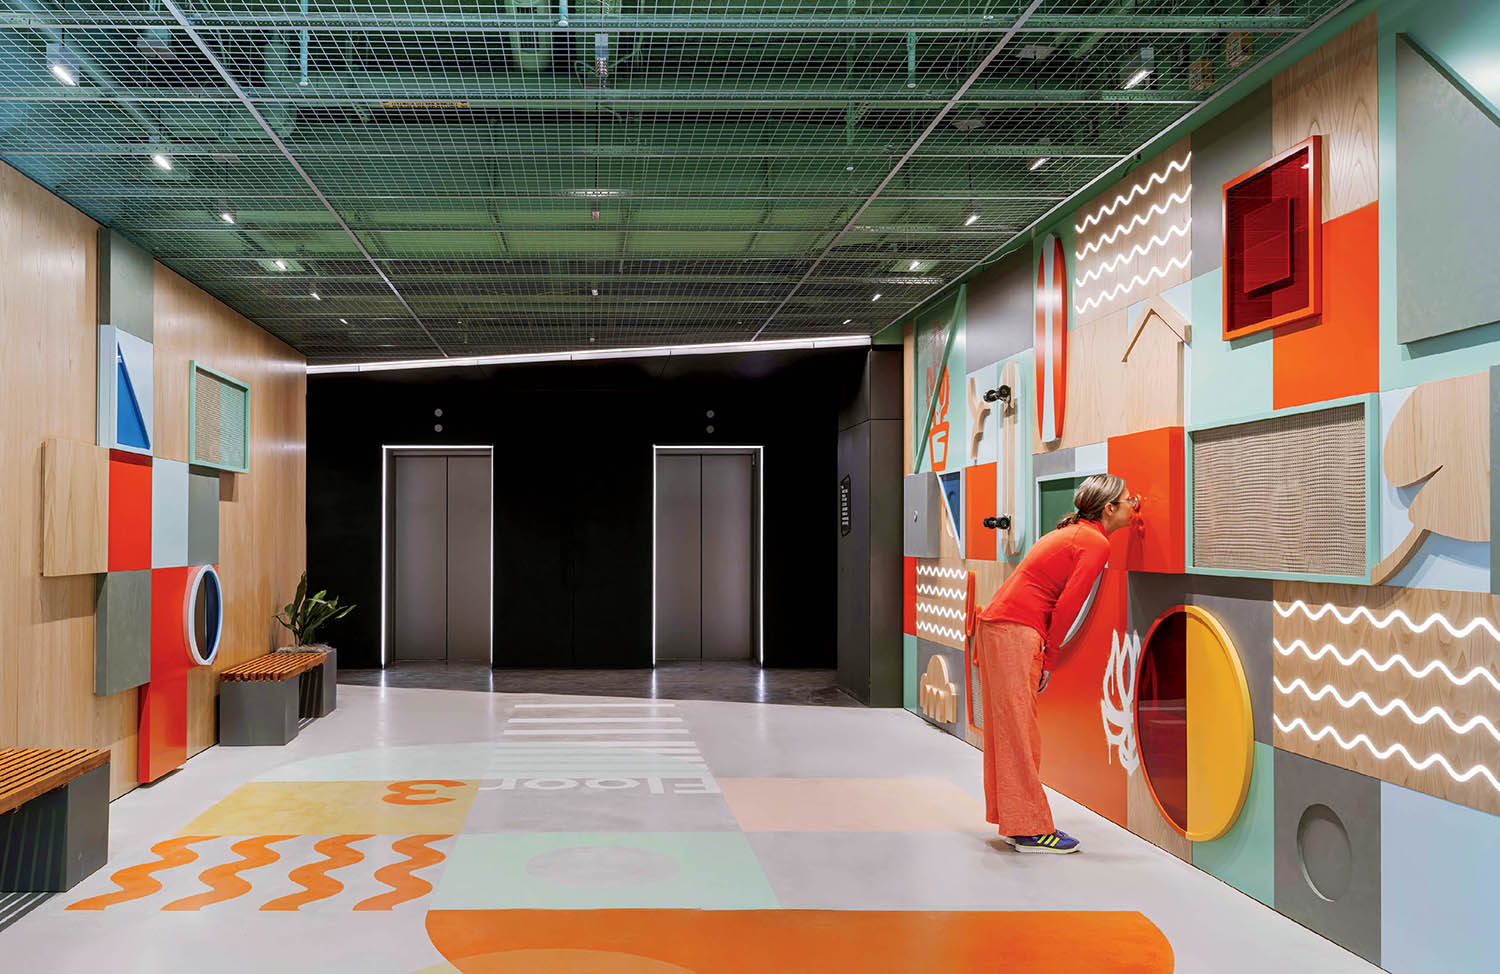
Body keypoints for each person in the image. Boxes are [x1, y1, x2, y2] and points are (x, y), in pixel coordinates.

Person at [973, 473, 1137, 854]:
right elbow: (1067, 607)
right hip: (1016, 630)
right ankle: (1031, 829)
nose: (1134, 504)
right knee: (1020, 733)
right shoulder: (1096, 543)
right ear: (1109, 509)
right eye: (1128, 499)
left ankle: (1017, 822)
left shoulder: (1073, 533)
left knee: (1008, 731)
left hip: (999, 625)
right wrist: (1050, 658)